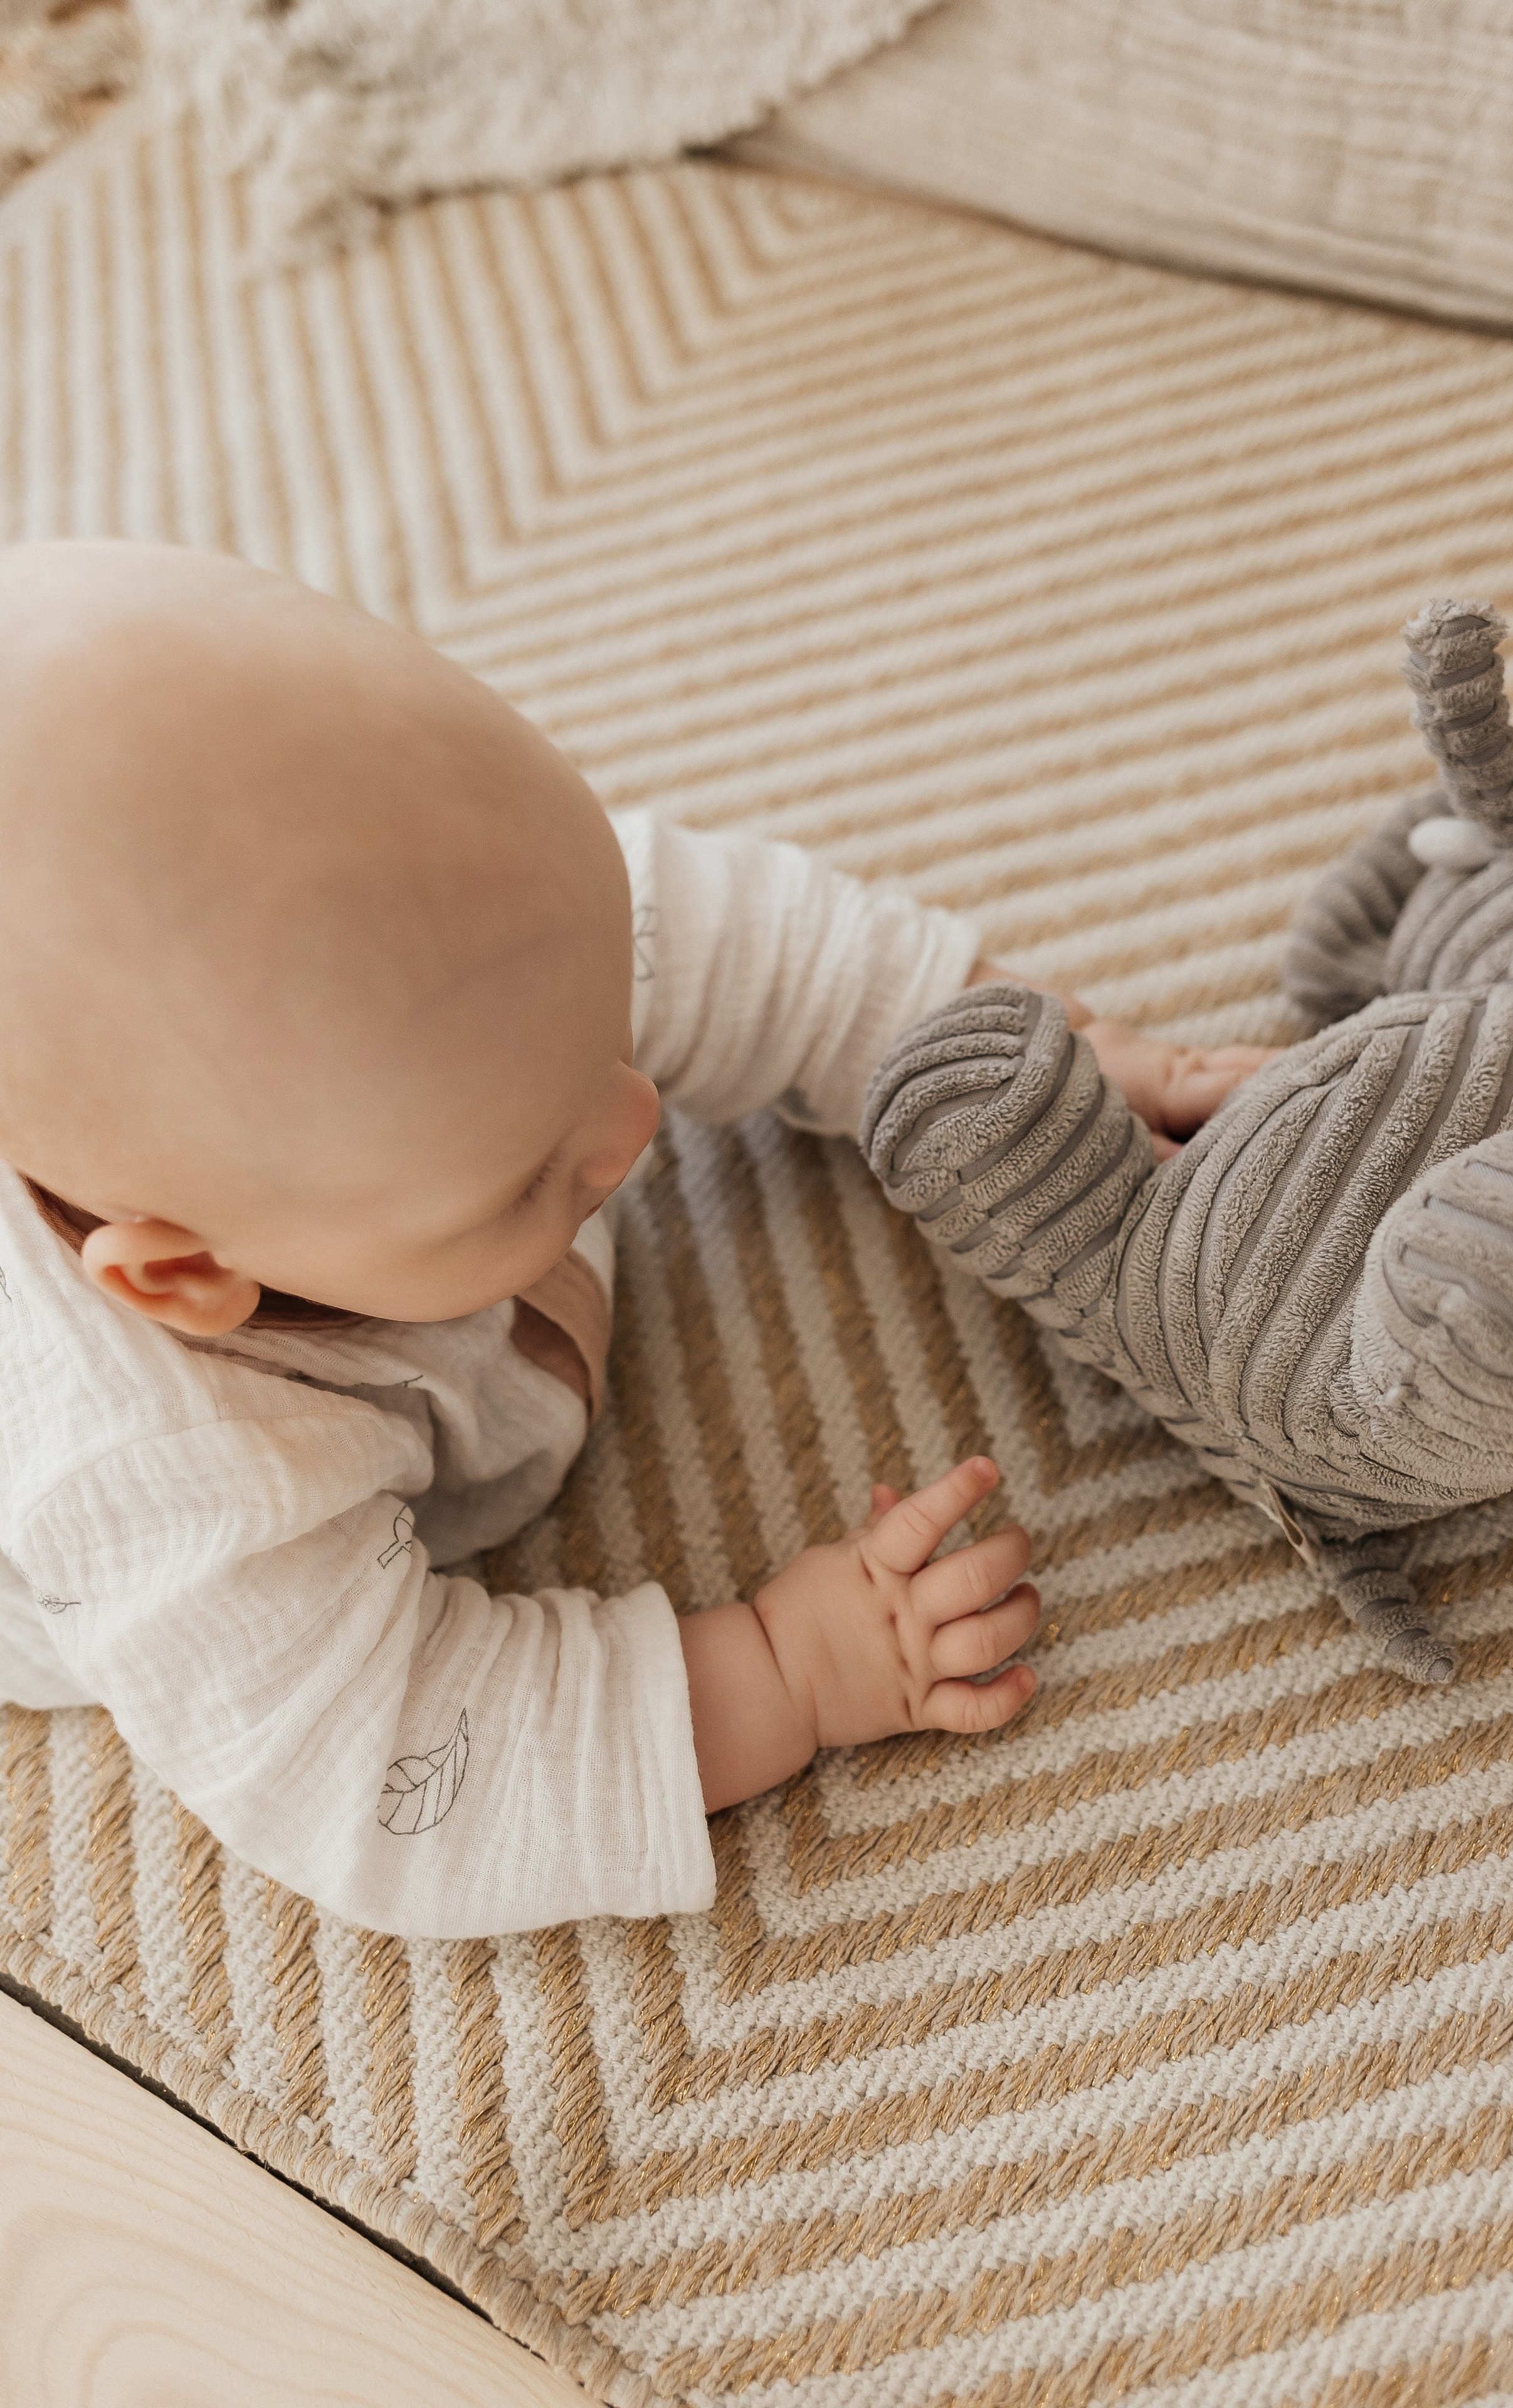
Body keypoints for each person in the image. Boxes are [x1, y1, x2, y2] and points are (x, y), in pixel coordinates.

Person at [0, 542, 1272, 1936]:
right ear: (189, 1273)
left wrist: (1016, 1053)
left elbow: (714, 938)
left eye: (608, 1023)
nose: (632, 1122)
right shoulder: (165, 1473)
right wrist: (783, 1673)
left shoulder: (462, 959)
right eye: (522, 1176)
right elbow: (386, 1778)